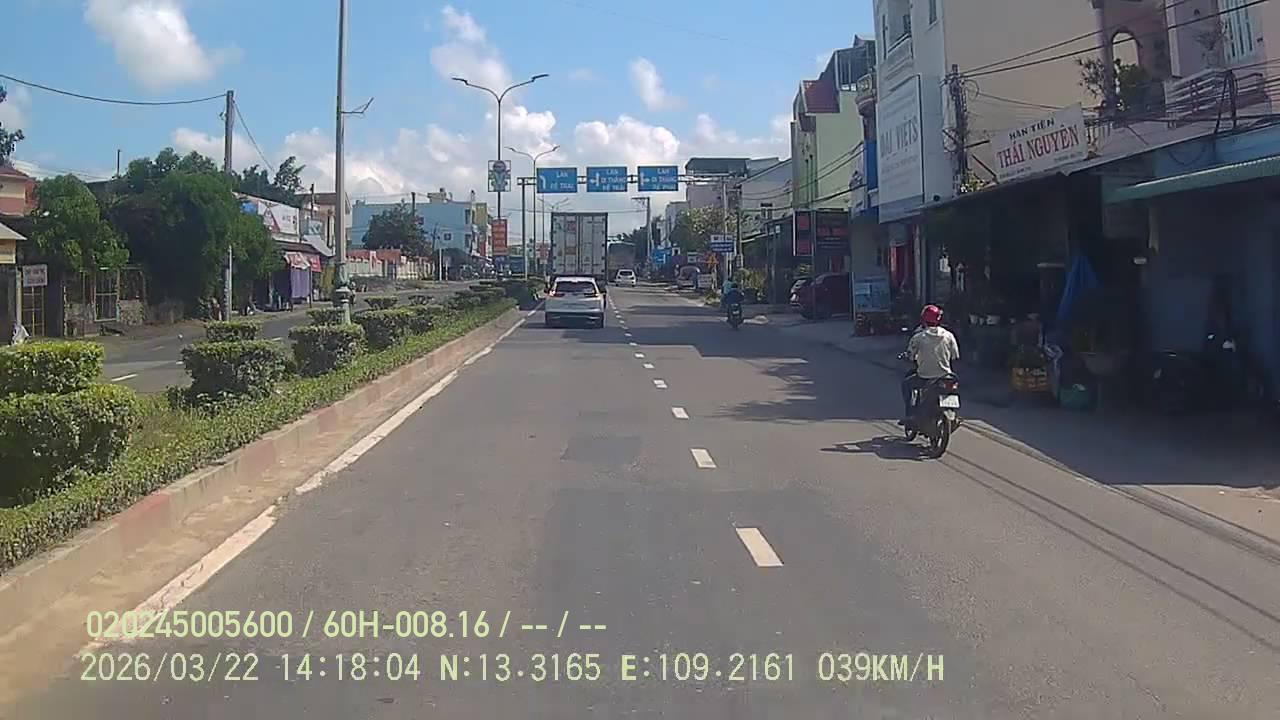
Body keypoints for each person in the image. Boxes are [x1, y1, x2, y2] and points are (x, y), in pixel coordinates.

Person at [900, 304, 960, 425]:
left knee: (906, 384)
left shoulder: (918, 337)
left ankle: (910, 414)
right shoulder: (949, 335)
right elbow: (955, 356)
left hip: (925, 376)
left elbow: (911, 355)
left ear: (924, 320)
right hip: (946, 376)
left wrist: (908, 357)